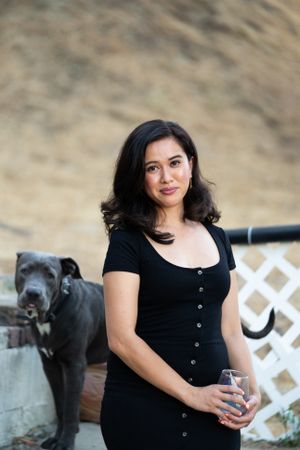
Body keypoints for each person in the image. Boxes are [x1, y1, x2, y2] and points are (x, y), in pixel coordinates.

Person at [100, 119, 260, 450]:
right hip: (142, 411)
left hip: (216, 411)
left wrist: (251, 391)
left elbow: (231, 330)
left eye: (174, 163)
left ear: (191, 163)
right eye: (152, 168)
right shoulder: (127, 242)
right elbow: (121, 339)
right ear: (138, 177)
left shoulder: (218, 238)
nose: (167, 177)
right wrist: (192, 395)